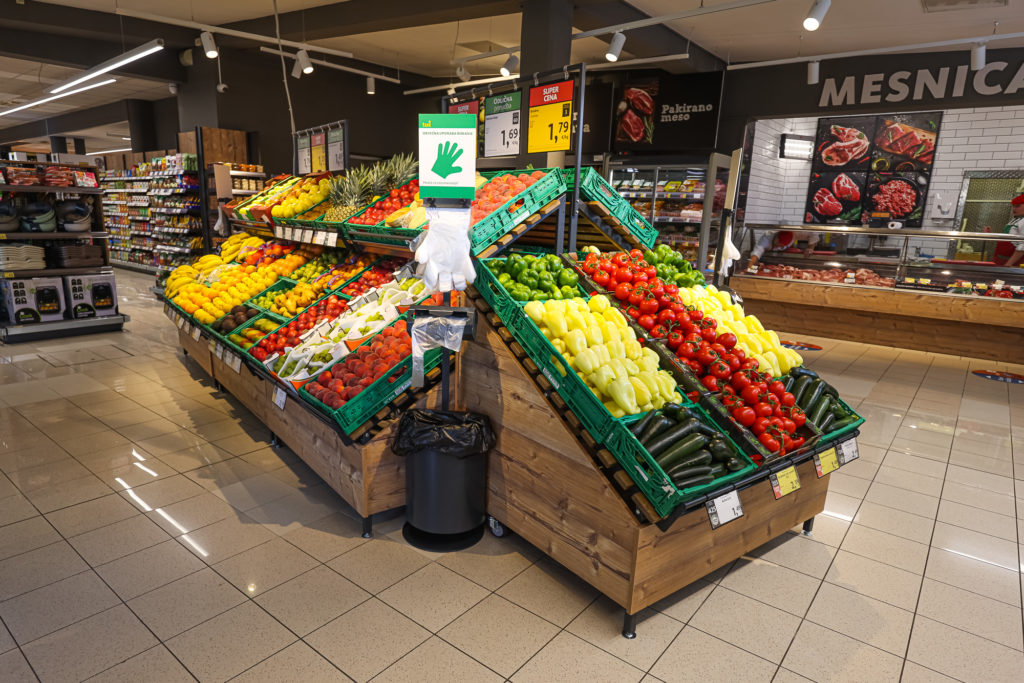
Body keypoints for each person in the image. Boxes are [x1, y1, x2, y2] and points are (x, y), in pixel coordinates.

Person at [984, 193, 1024, 267]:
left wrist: (1009, 264)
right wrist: (990, 234)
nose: (1014, 209)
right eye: (1013, 206)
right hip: (1002, 260)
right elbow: (1008, 240)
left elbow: (1022, 246)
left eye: (1017, 206)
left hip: (1013, 264)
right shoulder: (1016, 219)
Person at [746, 230, 819, 270]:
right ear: (776, 237)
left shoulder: (795, 233)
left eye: (782, 246)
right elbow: (757, 253)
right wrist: (751, 267)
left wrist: (810, 248)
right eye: (777, 244)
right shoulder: (766, 238)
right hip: (766, 258)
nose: (778, 247)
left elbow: (813, 232)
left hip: (781, 261)